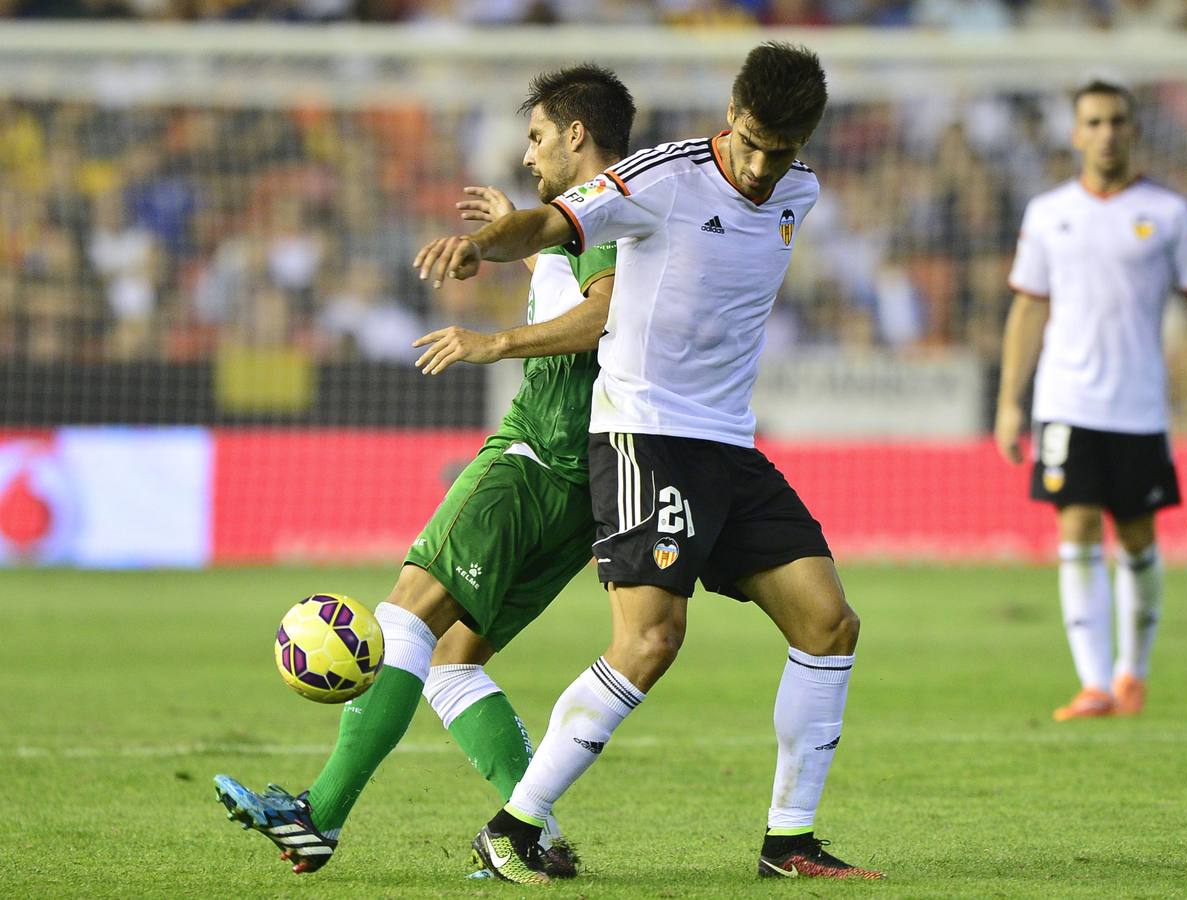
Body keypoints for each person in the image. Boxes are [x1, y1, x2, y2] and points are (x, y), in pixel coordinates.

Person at [415, 41, 883, 884]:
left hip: (729, 446)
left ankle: (790, 841)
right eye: (751, 143)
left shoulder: (799, 191)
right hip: (643, 433)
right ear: (731, 114)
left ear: (804, 139)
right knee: (651, 640)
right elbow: (554, 221)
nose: (763, 165)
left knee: (829, 624)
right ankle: (514, 827)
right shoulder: (661, 177)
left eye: (782, 151)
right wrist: (487, 244)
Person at [212, 63, 636, 878]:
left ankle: (319, 818)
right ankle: (528, 837)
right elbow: (582, 284)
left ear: (578, 135)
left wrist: (496, 343)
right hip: (586, 480)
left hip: (536, 452)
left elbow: (602, 315)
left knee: (404, 615)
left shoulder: (607, 213)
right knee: (453, 661)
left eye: (539, 137)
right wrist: (514, 237)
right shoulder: (603, 217)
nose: (528, 154)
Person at [994, 79, 1187, 723]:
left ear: (1134, 130)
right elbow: (1027, 311)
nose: (1106, 133)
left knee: (1137, 536)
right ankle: (1094, 683)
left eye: (1117, 121)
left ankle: (1134, 673)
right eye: (1093, 122)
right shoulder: (1047, 213)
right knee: (1074, 524)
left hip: (1139, 404)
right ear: (1075, 133)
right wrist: (1011, 402)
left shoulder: (1172, 213)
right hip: (1066, 401)